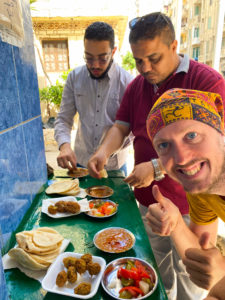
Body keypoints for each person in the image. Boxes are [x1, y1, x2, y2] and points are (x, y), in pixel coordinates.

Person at [87, 12, 225, 300]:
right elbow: (121, 126)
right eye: (138, 61)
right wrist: (102, 151)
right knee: (158, 272)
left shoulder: (205, 81)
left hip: (190, 204)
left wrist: (155, 166)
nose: (145, 68)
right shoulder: (137, 87)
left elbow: (211, 146)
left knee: (193, 277)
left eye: (154, 58)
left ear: (174, 46)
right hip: (151, 202)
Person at [145, 88, 225, 298]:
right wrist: (176, 223)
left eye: (192, 135)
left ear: (220, 131)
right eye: (164, 145)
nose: (180, 158)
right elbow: (200, 252)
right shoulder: (202, 192)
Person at [54, 22, 133, 175]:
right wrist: (64, 145)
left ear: (113, 51)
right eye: (89, 58)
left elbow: (130, 130)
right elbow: (63, 119)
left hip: (113, 167)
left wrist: (106, 151)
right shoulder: (74, 78)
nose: (95, 65)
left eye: (103, 59)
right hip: (81, 162)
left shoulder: (127, 82)